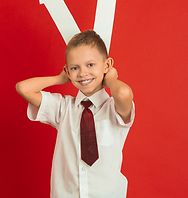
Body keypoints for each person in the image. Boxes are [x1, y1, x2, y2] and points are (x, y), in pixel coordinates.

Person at [16, 30, 135, 198]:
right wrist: (59, 78)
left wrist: (110, 80)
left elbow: (123, 93)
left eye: (90, 65)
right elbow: (23, 88)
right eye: (74, 68)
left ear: (106, 66)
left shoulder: (113, 108)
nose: (82, 73)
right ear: (68, 71)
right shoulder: (63, 108)